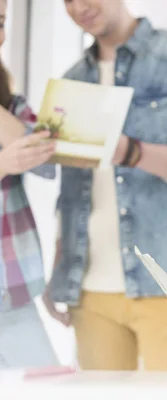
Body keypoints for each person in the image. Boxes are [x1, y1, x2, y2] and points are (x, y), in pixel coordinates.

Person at [43, 0, 167, 371]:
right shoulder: (71, 79)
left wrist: (131, 152)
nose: (78, 7)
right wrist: (58, 271)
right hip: (88, 289)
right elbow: (72, 193)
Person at [0, 0, 59, 368]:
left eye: (1, 21)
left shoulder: (11, 101)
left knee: (49, 389)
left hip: (12, 293)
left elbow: (48, 160)